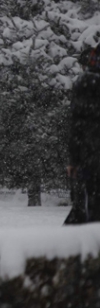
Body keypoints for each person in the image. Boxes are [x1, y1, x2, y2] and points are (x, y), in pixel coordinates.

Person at [64, 44, 100, 225]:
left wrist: (74, 159)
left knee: (88, 209)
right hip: (91, 154)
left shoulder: (86, 83)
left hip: (91, 156)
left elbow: (77, 123)